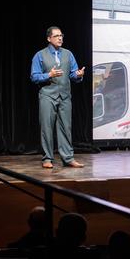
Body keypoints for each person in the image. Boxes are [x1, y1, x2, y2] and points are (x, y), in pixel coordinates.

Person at [30, 26, 85, 168]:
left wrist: (78, 75)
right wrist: (49, 75)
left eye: (61, 35)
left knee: (66, 127)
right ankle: (47, 158)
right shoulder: (40, 55)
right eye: (56, 36)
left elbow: (73, 74)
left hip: (65, 96)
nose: (60, 38)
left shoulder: (68, 54)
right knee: (47, 128)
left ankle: (68, 158)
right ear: (49, 38)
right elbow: (34, 77)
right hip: (47, 95)